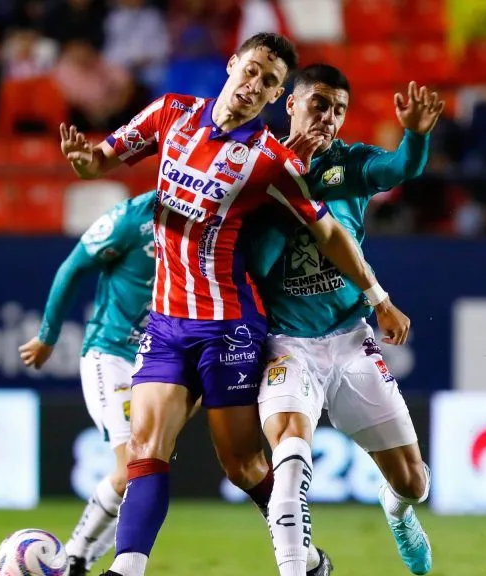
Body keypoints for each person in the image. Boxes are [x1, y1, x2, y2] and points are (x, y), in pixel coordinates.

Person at [59, 32, 410, 576]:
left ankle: (303, 555)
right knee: (145, 449)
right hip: (167, 322)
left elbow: (330, 235)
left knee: (243, 466)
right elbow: (99, 161)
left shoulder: (271, 161)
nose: (255, 85)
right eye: (252, 71)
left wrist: (377, 297)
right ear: (232, 65)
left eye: (269, 82)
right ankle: (125, 569)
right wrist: (85, 162)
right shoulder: (170, 113)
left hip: (229, 328)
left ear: (275, 97)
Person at [251, 65, 443, 576]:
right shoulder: (257, 164)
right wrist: (289, 175)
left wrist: (415, 137)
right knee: (289, 459)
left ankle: (397, 511)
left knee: (413, 484)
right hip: (286, 344)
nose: (329, 117)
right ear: (291, 103)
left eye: (339, 109)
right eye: (319, 104)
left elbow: (399, 168)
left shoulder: (348, 164)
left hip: (349, 339)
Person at [18, 191, 157, 576]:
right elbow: (73, 267)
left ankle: (79, 559)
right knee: (134, 466)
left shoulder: (208, 223)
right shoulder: (130, 219)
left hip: (160, 362)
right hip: (111, 355)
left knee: (147, 471)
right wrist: (47, 336)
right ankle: (76, 556)